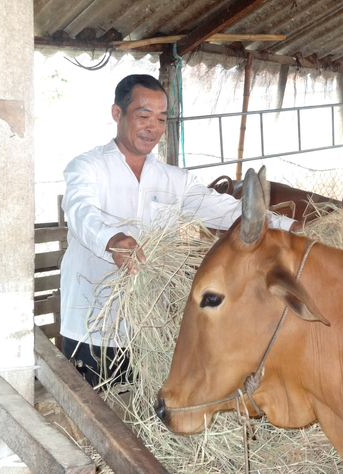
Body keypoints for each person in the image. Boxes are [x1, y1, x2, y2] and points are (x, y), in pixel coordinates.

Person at [60, 74, 298, 387]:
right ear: (117, 114)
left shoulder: (174, 180)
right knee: (91, 418)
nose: (153, 127)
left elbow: (225, 209)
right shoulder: (87, 167)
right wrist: (112, 240)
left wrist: (291, 226)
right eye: (144, 116)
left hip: (149, 332)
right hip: (91, 324)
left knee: (141, 417)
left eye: (161, 118)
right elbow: (80, 210)